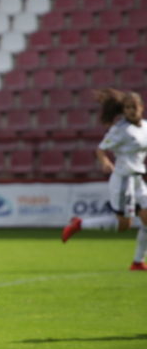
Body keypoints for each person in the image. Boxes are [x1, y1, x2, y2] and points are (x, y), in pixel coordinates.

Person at [61, 89, 147, 270]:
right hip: (124, 180)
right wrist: (105, 161)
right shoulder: (120, 130)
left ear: (142, 107)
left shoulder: (145, 127)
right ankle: (80, 224)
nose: (131, 110)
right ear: (123, 110)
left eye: (134, 107)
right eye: (127, 107)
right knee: (124, 225)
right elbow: (100, 149)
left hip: (138, 179)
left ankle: (138, 262)